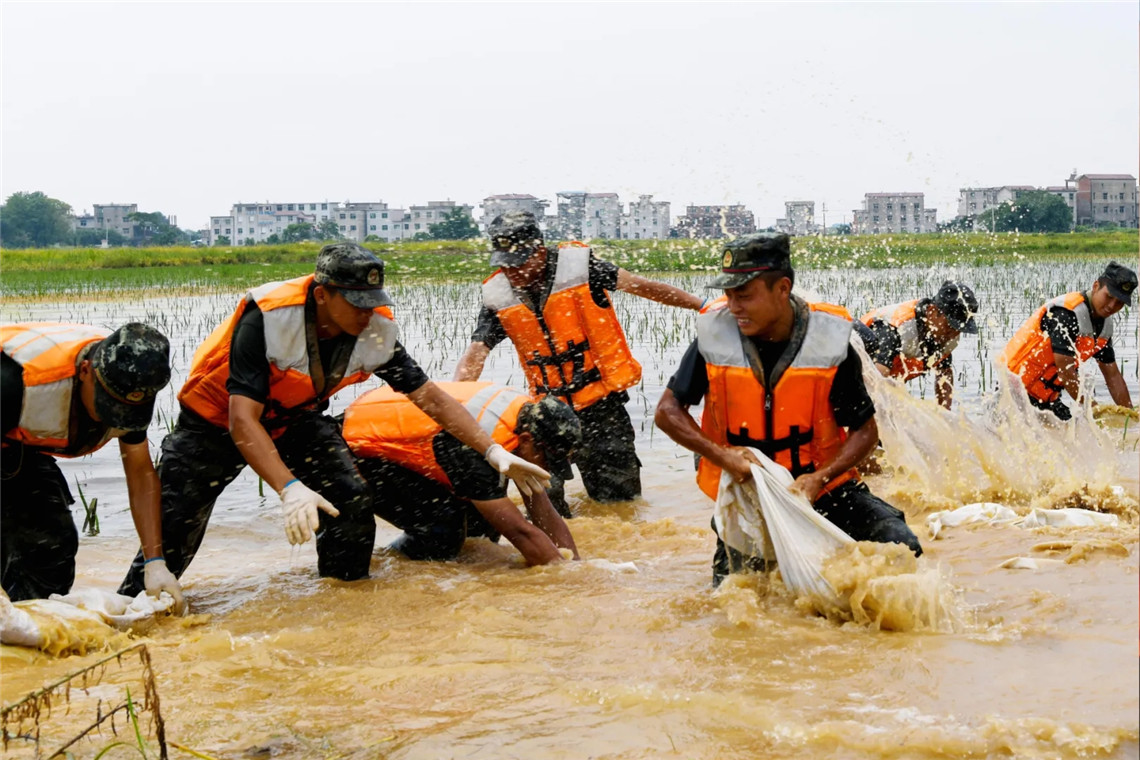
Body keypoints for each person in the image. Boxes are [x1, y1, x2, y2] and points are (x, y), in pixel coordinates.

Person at [118, 243, 550, 596]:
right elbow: (241, 421)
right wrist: (289, 489)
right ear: (322, 294)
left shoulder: (375, 331)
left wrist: (492, 451)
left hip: (296, 419)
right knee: (173, 529)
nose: (367, 313)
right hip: (213, 424)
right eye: (356, 302)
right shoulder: (268, 316)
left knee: (350, 497)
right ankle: (132, 612)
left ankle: (344, 598)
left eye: (373, 303)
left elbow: (431, 398)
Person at [653, 232, 922, 586]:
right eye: (728, 295)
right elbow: (667, 411)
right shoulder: (714, 336)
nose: (733, 307)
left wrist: (818, 478)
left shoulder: (828, 342)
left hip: (823, 489)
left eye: (745, 296)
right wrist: (722, 456)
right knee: (738, 594)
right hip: (751, 493)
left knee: (899, 547)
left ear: (782, 288)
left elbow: (865, 431)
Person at [453, 210, 703, 516]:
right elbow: (476, 352)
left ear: (539, 251)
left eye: (519, 262)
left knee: (620, 508)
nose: (513, 271)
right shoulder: (498, 295)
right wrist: (455, 401)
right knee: (545, 501)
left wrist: (704, 307)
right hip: (548, 415)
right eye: (505, 264)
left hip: (602, 408)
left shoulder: (583, 269)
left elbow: (641, 286)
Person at [2, 322, 185, 612]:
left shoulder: (132, 378)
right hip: (10, 407)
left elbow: (139, 470)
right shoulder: (15, 382)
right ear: (85, 371)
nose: (111, 420)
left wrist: (155, 561)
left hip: (19, 443)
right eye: (107, 407)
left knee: (53, 548)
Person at [342, 381, 581, 565]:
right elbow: (519, 531)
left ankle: (447, 568)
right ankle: (400, 565)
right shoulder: (477, 447)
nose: (548, 470)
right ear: (528, 440)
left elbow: (542, 507)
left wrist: (576, 564)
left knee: (482, 528)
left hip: (419, 446)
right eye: (549, 461)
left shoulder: (527, 418)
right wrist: (559, 575)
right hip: (354, 451)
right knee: (444, 529)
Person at [1000, 261, 1135, 420]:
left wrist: (1130, 416)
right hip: (1014, 395)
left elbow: (1113, 377)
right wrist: (1096, 411)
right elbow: (1065, 372)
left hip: (1047, 399)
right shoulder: (1065, 314)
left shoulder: (1103, 327)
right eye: (1109, 296)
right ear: (1096, 286)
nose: (1112, 306)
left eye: (1120, 303)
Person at [854, 280, 979, 410]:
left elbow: (944, 374)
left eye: (960, 328)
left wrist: (945, 416)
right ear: (932, 311)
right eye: (951, 325)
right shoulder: (895, 329)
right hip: (854, 375)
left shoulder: (943, 335)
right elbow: (875, 382)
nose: (953, 334)